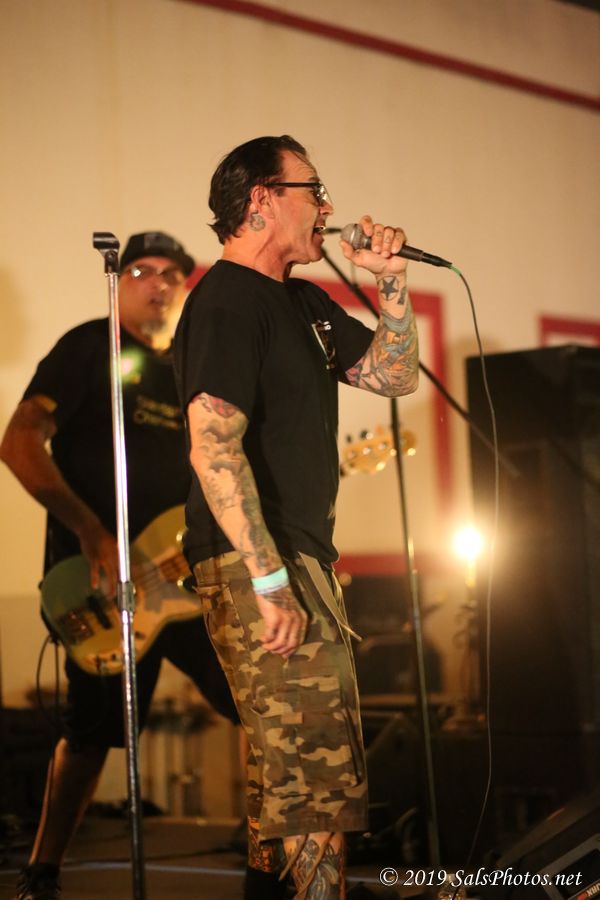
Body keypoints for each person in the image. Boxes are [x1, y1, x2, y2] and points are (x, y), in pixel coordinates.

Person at [173, 136, 419, 899]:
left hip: (298, 560)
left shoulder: (303, 302)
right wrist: (270, 579)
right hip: (262, 565)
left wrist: (392, 283)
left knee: (285, 786)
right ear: (262, 200)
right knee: (315, 787)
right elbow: (212, 446)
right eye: (314, 190)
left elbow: (395, 375)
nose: (329, 207)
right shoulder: (226, 301)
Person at [0, 231, 239, 900]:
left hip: (185, 580)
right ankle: (43, 869)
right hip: (101, 586)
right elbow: (19, 441)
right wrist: (91, 532)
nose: (157, 283)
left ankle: (271, 852)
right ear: (119, 279)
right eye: (140, 270)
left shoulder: (190, 368)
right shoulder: (87, 348)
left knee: (253, 696)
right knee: (91, 735)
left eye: (171, 274)